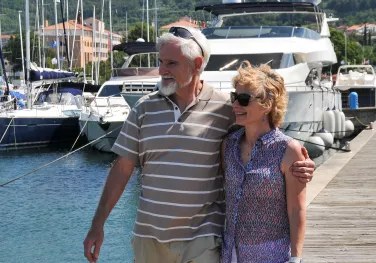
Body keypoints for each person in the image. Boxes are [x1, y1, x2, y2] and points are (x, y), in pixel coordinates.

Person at [83, 26, 315, 263]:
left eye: (171, 63)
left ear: (195, 64)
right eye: (160, 62)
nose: (162, 70)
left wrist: (302, 163)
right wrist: (97, 224)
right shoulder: (143, 108)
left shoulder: (226, 108)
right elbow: (122, 169)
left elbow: (265, 136)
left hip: (204, 238)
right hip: (149, 237)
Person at [221, 61, 306, 263]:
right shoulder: (228, 145)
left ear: (267, 104)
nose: (235, 104)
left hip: (273, 255)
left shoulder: (289, 150)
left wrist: (296, 259)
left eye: (243, 99)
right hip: (231, 254)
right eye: (234, 97)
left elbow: (296, 210)